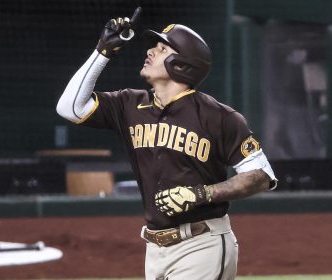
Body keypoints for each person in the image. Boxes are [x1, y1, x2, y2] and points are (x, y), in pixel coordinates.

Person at [56, 11, 277, 280]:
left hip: (202, 244)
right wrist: (102, 52)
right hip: (154, 248)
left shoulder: (219, 116)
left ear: (182, 64)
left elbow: (261, 177)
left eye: (162, 48)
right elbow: (70, 108)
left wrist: (201, 194)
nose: (150, 50)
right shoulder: (130, 105)